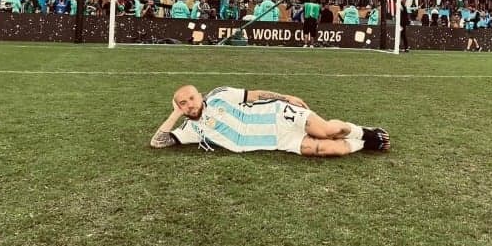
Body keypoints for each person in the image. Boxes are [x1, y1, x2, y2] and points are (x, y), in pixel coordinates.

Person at [150, 85, 390, 156]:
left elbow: (254, 95)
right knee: (327, 149)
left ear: (199, 95)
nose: (190, 104)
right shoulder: (191, 129)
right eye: (183, 103)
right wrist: (175, 115)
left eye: (192, 98)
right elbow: (157, 142)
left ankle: (365, 132)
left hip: (278, 115)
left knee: (326, 130)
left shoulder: (219, 96)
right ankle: (366, 143)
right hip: (277, 140)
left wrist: (286, 97)